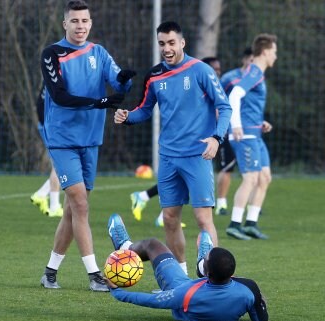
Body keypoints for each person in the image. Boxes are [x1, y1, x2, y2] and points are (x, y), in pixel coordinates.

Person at [114, 21, 231, 274]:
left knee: (202, 219)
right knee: (169, 218)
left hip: (196, 155)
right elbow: (144, 109)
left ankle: (211, 278)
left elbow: (225, 107)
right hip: (168, 157)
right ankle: (181, 277)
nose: (166, 48)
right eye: (162, 43)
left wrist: (216, 138)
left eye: (171, 43)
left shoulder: (200, 70)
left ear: (182, 43)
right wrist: (127, 117)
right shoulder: (155, 76)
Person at [39, 0, 134, 292]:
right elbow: (60, 96)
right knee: (80, 204)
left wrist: (125, 80)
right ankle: (95, 275)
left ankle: (50, 272)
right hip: (62, 140)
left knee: (73, 210)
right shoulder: (52, 54)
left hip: (91, 140)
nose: (80, 26)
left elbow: (117, 85)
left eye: (85, 21)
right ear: (65, 24)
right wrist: (99, 102)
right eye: (75, 21)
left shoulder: (99, 53)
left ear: (90, 23)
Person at [105, 213, 269, 321]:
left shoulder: (184, 293)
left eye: (207, 260)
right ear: (232, 274)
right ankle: (201, 263)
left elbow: (152, 301)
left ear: (208, 275)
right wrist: (259, 301)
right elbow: (261, 320)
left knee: (153, 245)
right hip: (208, 285)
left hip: (181, 285)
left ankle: (124, 247)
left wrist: (117, 292)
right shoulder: (249, 289)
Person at [225, 34, 277, 241]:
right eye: (274, 52)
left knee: (265, 178)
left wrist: (260, 123)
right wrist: (236, 125)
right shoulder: (254, 72)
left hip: (254, 132)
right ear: (265, 52)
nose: (275, 56)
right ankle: (234, 224)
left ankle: (250, 224)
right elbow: (234, 95)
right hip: (244, 134)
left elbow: (247, 103)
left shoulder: (257, 73)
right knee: (250, 179)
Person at [215, 48, 254, 216]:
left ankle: (252, 207)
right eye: (251, 60)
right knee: (227, 168)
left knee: (254, 172)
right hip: (229, 130)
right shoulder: (230, 78)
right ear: (245, 59)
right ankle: (221, 204)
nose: (254, 64)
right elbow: (218, 99)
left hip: (249, 131)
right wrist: (220, 126)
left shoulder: (257, 79)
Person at [30, 85, 63, 217]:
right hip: (51, 126)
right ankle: (54, 206)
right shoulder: (61, 73)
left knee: (62, 165)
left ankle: (41, 194)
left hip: (47, 124)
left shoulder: (51, 74)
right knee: (60, 165)